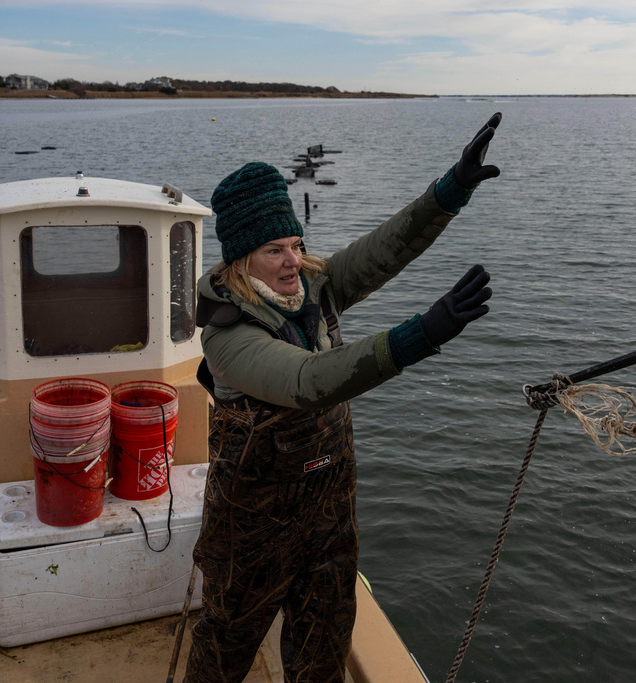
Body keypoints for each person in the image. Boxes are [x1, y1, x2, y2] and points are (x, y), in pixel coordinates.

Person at [184, 113, 503, 683]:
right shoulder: (226, 334)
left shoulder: (313, 286)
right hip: (250, 532)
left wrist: (450, 189)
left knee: (323, 655)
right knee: (224, 653)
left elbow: (388, 248)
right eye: (274, 250)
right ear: (240, 261)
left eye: (295, 243)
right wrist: (418, 335)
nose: (292, 261)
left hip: (328, 518)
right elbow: (309, 381)